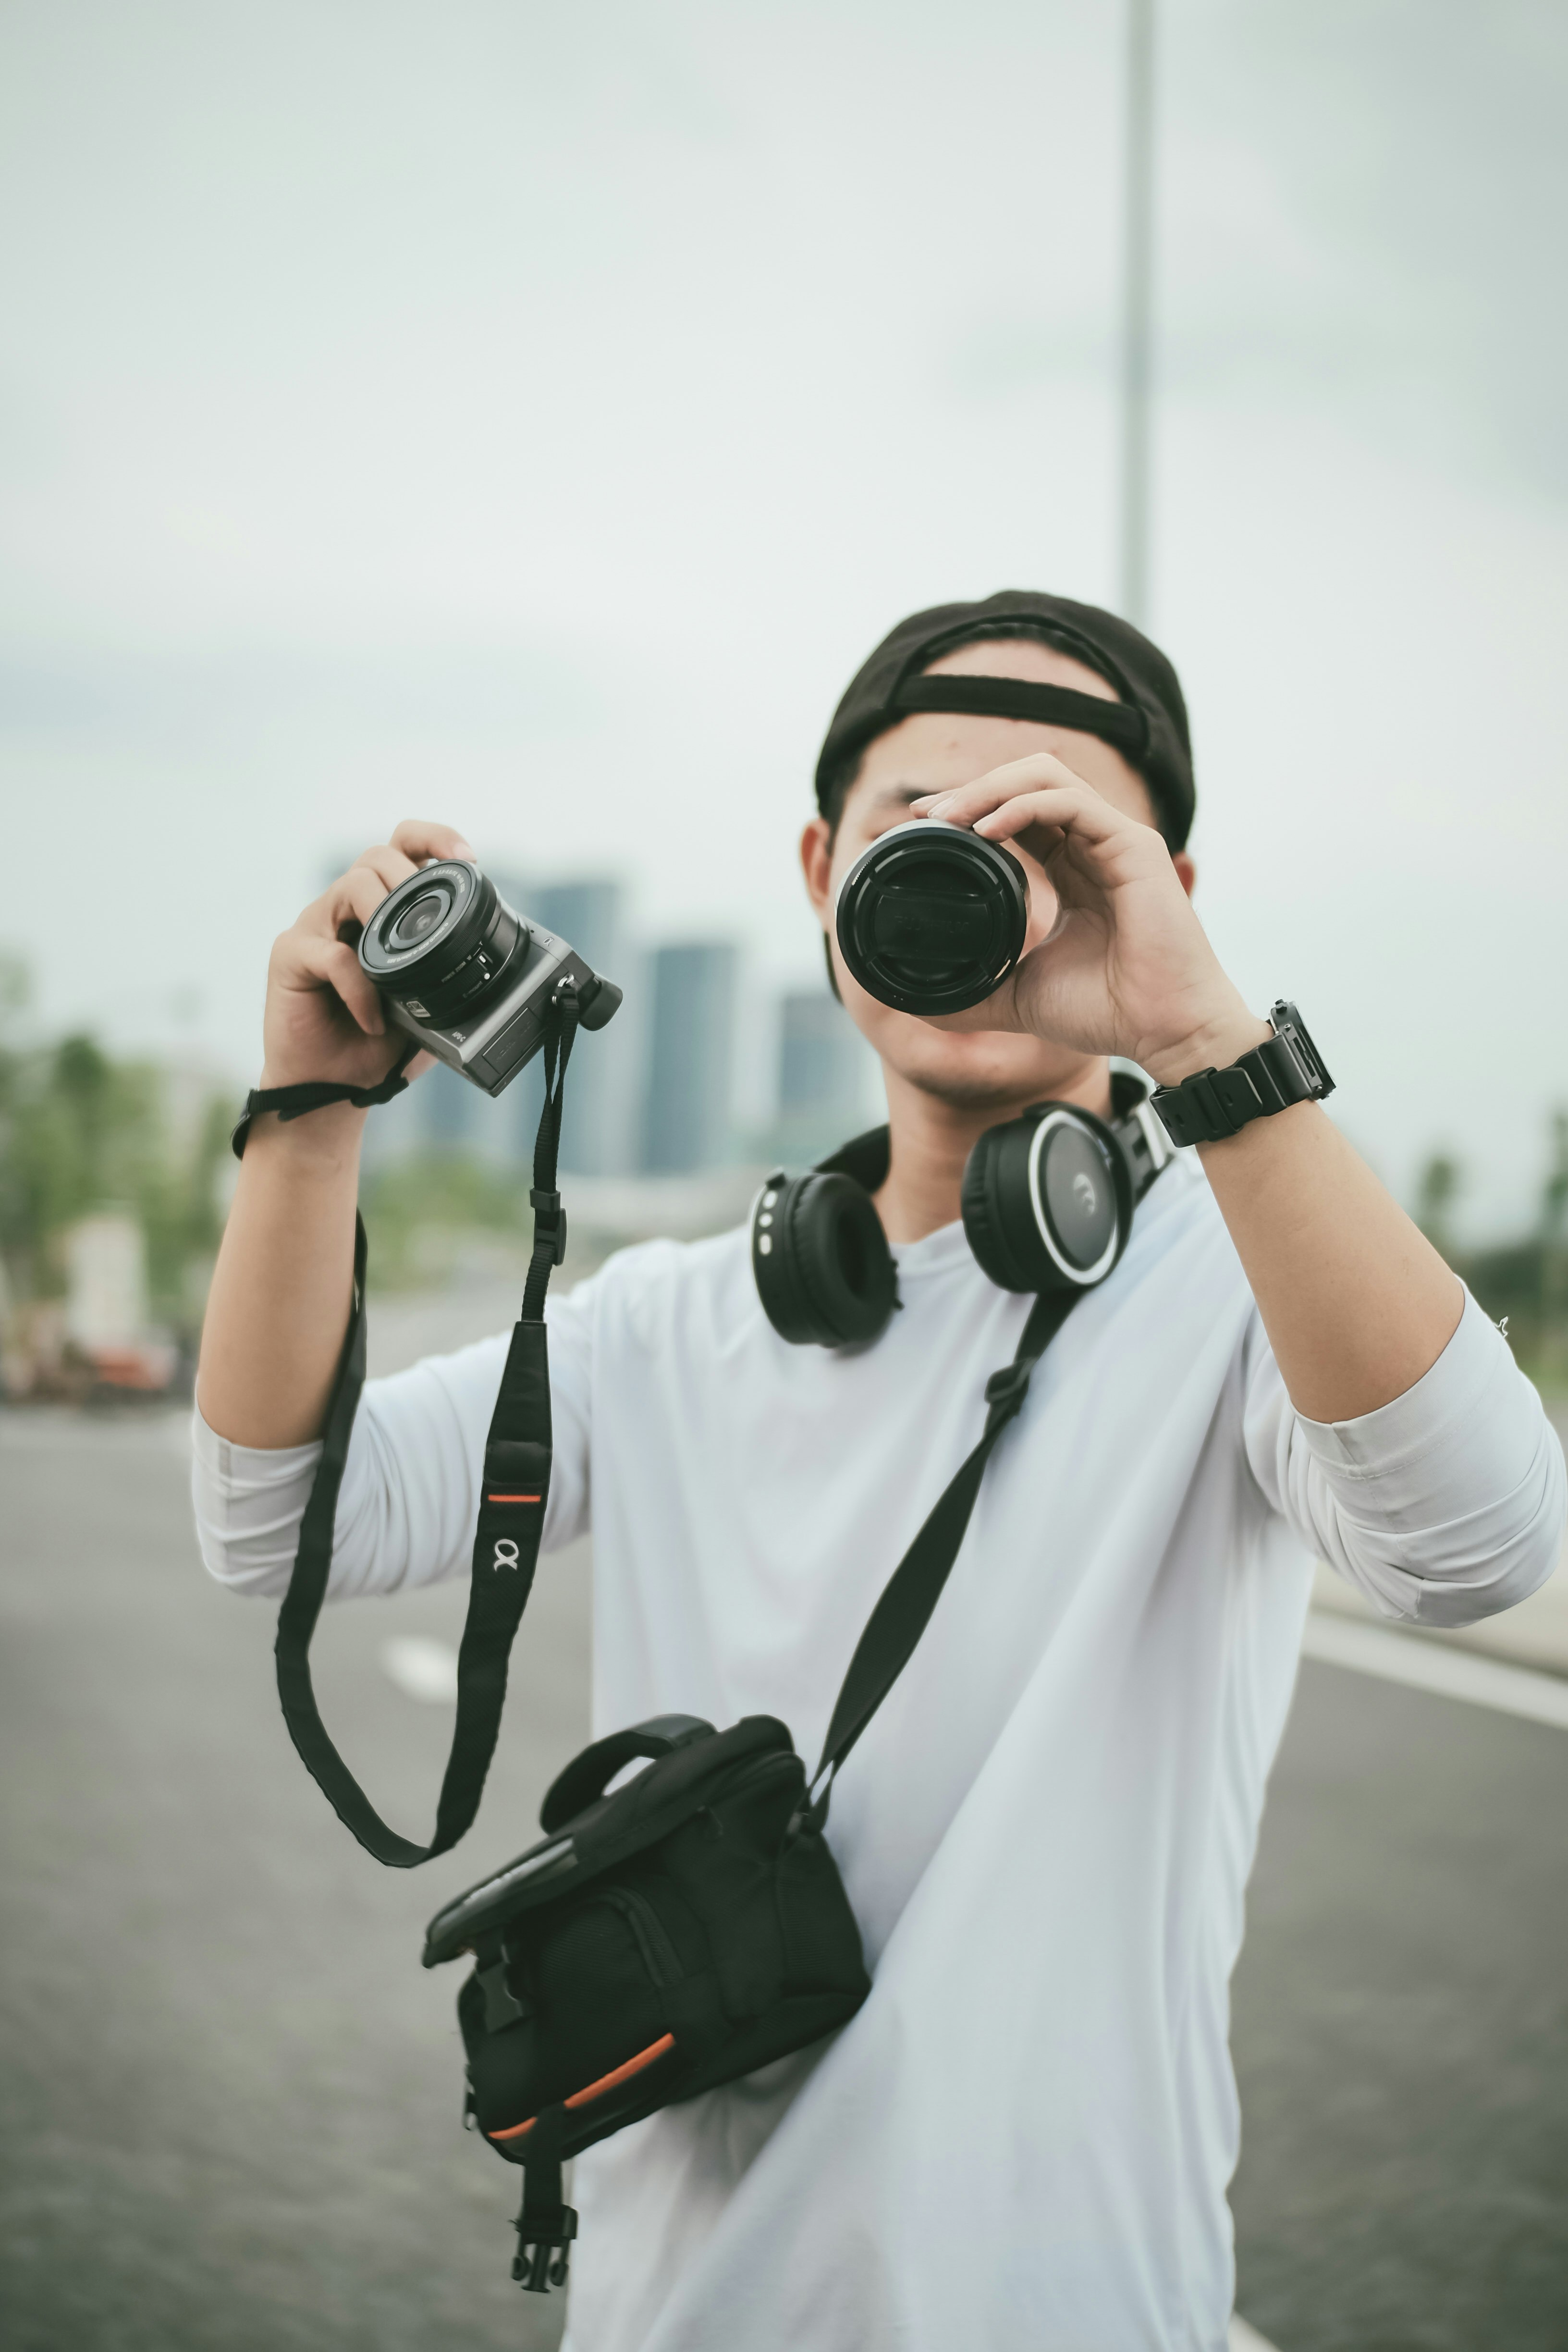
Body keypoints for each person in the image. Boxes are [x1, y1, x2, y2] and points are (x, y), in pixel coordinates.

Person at [192, 590, 1565, 2352]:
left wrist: (1209, 1046)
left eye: (1055, 834)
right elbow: (278, 1528)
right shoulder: (672, 1323)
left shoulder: (1242, 1291)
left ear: (1170, 893)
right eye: (924, 828)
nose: (983, 880)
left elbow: (1483, 1548)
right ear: (825, 867)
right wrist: (306, 1122)